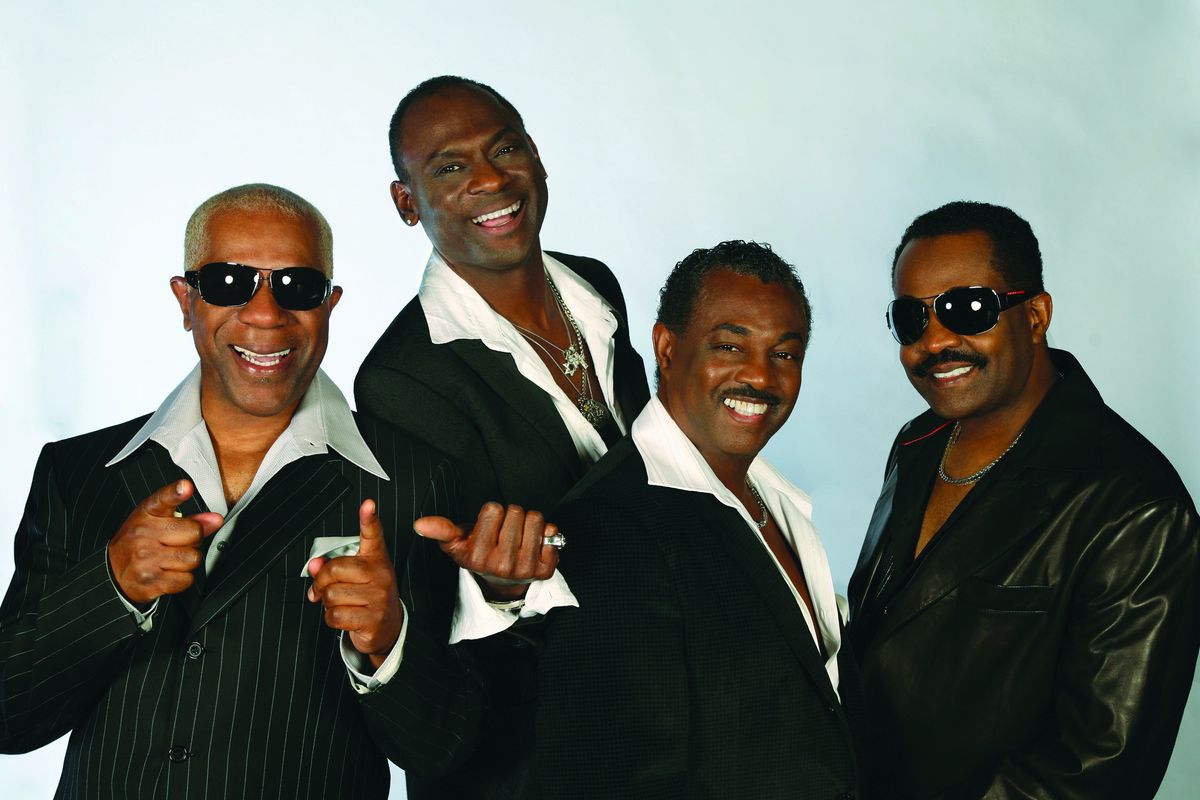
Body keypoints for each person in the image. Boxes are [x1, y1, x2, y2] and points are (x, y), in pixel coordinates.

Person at [0, 184, 554, 799]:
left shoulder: (416, 481)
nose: (265, 315)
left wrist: (388, 641)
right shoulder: (79, 473)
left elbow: (440, 749)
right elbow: (11, 717)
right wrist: (113, 586)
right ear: (186, 300)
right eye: (229, 283)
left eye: (297, 287)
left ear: (329, 306)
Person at [354, 75, 651, 796]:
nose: (490, 179)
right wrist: (496, 587)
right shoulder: (400, 379)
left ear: (537, 157)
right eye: (450, 167)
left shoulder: (595, 287)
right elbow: (426, 613)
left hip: (655, 712)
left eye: (505, 149)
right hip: (531, 753)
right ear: (406, 202)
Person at [848, 201, 1199, 799]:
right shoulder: (917, 444)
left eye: (967, 308)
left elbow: (1096, 773)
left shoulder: (1135, 506)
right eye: (911, 318)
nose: (934, 341)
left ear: (1035, 315)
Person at [528, 241, 866, 799]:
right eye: (730, 346)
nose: (760, 376)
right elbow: (617, 780)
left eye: (784, 354)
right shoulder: (612, 529)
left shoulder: (773, 497)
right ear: (666, 348)